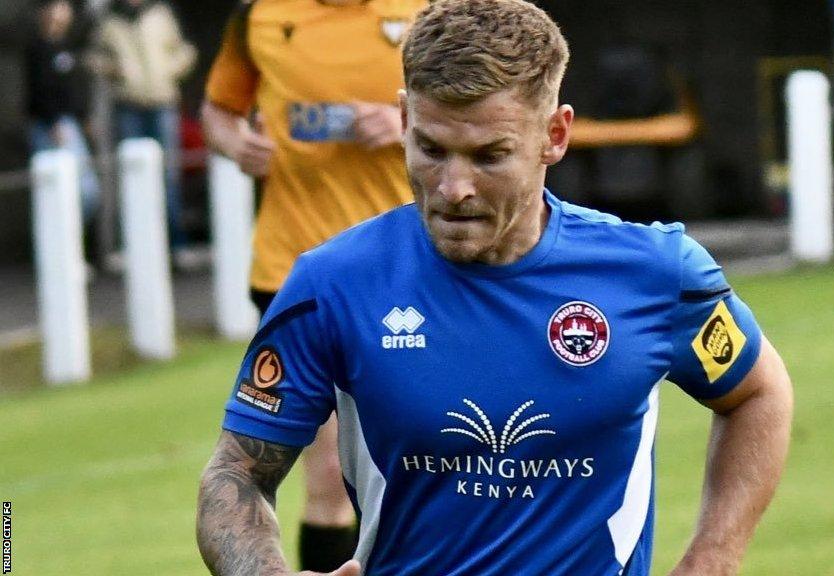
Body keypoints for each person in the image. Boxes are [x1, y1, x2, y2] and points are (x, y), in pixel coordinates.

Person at [196, 1, 794, 574]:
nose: (454, 186)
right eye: (431, 149)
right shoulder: (332, 285)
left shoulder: (654, 274)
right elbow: (237, 474)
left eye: (489, 156)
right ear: (403, 120)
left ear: (554, 136)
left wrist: (713, 559)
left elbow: (758, 394)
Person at [200, 0, 424, 570]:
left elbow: (482, 112)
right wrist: (234, 143)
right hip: (294, 273)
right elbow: (219, 109)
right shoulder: (258, 17)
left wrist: (404, 125)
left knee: (424, 460)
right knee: (326, 474)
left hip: (409, 272)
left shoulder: (428, 10)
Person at [88, 0, 197, 262]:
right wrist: (116, 71)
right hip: (129, 104)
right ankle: (135, 246)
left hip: (161, 102)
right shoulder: (110, 22)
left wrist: (168, 71)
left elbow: (183, 50)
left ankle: (176, 245)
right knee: (132, 176)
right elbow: (93, 57)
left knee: (168, 175)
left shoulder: (161, 15)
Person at [25, 0, 100, 232]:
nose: (63, 13)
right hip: (53, 126)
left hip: (72, 123)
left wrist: (85, 117)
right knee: (59, 192)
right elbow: (39, 90)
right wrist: (54, 120)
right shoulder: (37, 49)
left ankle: (73, 247)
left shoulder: (69, 46)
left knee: (87, 193)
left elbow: (77, 87)